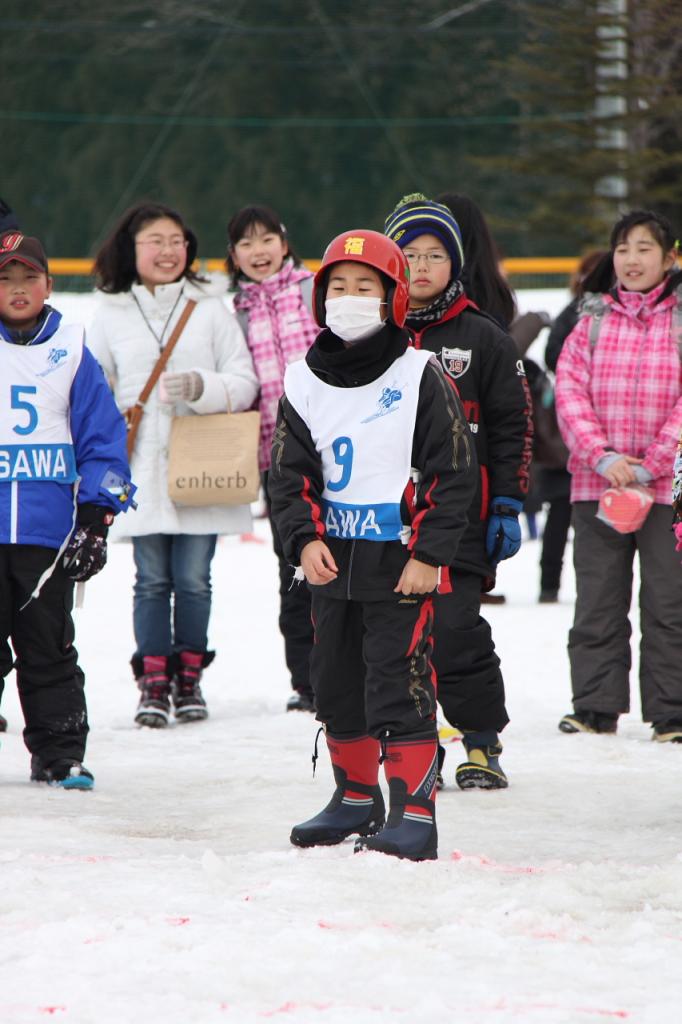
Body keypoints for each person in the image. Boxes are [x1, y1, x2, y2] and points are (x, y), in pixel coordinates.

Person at [268, 229, 476, 861]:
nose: (350, 298)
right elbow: (288, 474)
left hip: (400, 561)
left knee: (399, 680)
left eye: (366, 288)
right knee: (332, 680)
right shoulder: (303, 379)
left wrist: (430, 555)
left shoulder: (420, 375)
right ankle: (356, 798)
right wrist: (302, 540)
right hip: (333, 561)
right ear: (319, 297)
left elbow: (453, 473)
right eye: (339, 287)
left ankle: (414, 814)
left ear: (392, 298)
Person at [88, 202, 258, 729]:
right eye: (154, 241)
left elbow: (245, 380)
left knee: (194, 581)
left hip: (200, 466)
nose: (167, 251)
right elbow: (91, 389)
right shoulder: (109, 314)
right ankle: (153, 681)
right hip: (136, 470)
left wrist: (204, 388)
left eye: (176, 241)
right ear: (130, 249)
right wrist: (111, 408)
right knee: (149, 581)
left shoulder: (211, 309)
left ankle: (189, 677)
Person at [385, 194, 532, 790]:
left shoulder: (484, 336)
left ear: (456, 263)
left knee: (454, 631)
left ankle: (480, 741)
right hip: (386, 521)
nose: (420, 266)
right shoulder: (375, 335)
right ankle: (419, 747)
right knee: (395, 640)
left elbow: (512, 425)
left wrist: (507, 503)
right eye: (409, 254)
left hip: (461, 519)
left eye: (434, 255)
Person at [0, 231, 135, 788]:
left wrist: (97, 520)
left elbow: (104, 441)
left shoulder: (73, 349)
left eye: (28, 277)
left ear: (49, 285)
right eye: (5, 278)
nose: (17, 288)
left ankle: (59, 753)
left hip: (45, 535)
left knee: (48, 647)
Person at [555, 210, 682, 741]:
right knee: (598, 601)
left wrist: (653, 463)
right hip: (597, 486)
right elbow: (568, 392)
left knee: (669, 602)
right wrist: (603, 457)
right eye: (623, 248)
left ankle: (672, 710)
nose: (632, 259)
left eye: (644, 248)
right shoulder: (591, 319)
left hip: (667, 489)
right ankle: (595, 705)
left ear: (670, 258)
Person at [226, 204, 318, 713]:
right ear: (233, 255)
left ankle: (346, 667)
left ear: (284, 242)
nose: (257, 251)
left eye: (266, 239)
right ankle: (306, 679)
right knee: (293, 568)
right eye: (245, 243)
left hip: (335, 452)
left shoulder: (315, 288)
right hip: (275, 460)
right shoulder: (235, 310)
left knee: (344, 561)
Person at [537, 250, 610, 603]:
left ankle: (595, 590)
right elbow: (553, 356)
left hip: (609, 435)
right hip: (569, 432)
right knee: (562, 510)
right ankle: (549, 584)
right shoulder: (578, 311)